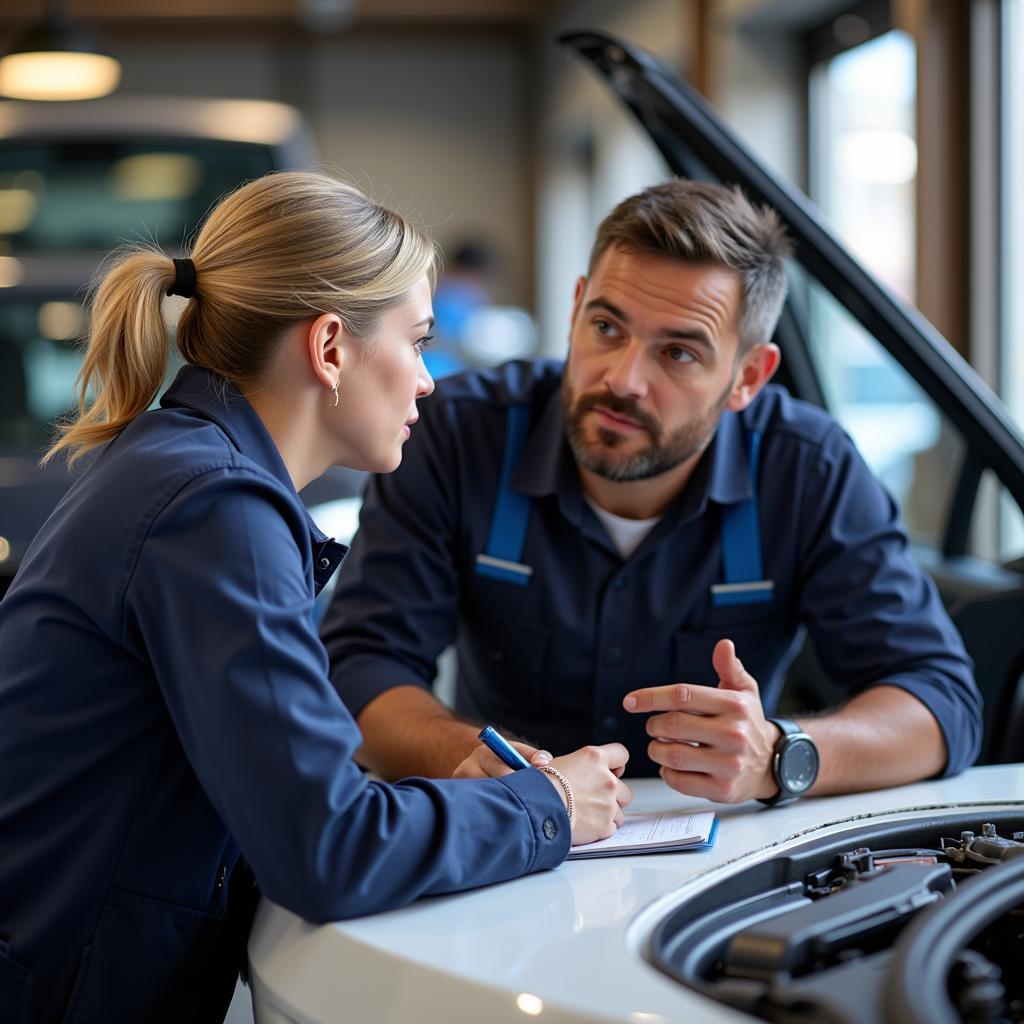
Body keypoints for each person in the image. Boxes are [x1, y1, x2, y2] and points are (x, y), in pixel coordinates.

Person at [0, 172, 631, 1024]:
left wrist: (456, 800)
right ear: (330, 347)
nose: (429, 381)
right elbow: (326, 848)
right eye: (418, 342)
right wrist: (547, 807)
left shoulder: (181, 464)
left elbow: (293, 796)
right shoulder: (215, 507)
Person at [320, 178, 982, 805]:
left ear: (749, 376)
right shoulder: (459, 436)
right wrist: (474, 761)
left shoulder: (805, 469)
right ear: (576, 307)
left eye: (679, 353)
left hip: (725, 863)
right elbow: (362, 665)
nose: (623, 379)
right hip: (509, 835)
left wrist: (780, 754)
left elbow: (939, 701)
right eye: (607, 328)